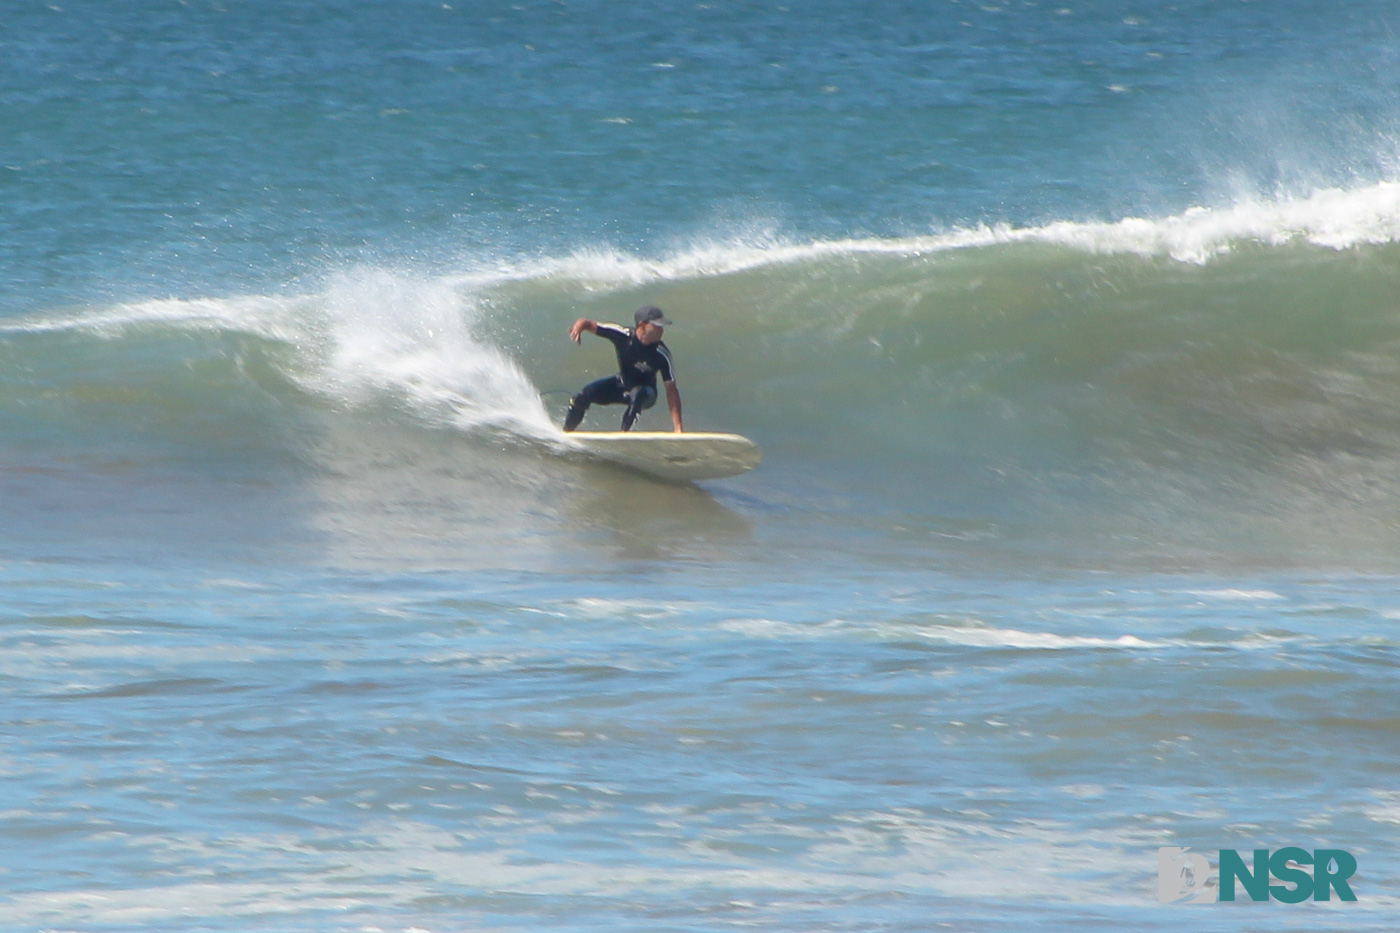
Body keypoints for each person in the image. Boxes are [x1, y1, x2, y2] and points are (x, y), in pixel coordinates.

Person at [563, 305, 684, 433]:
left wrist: (678, 428)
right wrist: (578, 328)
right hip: (622, 384)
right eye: (657, 326)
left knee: (637, 394)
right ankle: (566, 433)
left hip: (647, 393)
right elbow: (587, 323)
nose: (661, 330)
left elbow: (671, 390)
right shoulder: (623, 335)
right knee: (582, 395)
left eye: (662, 327)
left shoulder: (662, 354)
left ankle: (624, 436)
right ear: (642, 325)